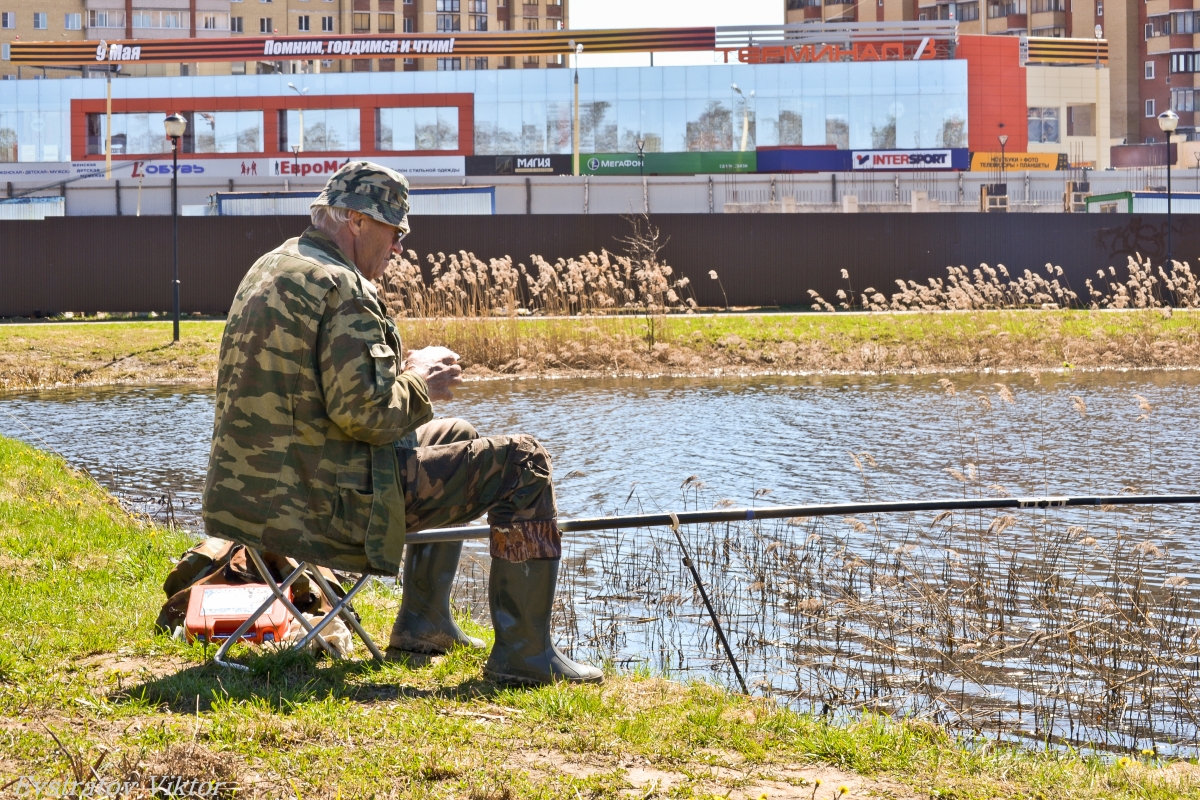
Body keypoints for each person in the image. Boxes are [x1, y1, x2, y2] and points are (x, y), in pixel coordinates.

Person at [202, 160, 601, 686]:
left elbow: (323, 396)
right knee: (522, 462)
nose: (399, 247)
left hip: (254, 495)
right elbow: (366, 415)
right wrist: (419, 381)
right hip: (320, 508)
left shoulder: (273, 266)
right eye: (395, 230)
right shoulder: (343, 288)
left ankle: (423, 624)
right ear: (357, 221)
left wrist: (401, 376)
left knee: (454, 435)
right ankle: (525, 657)